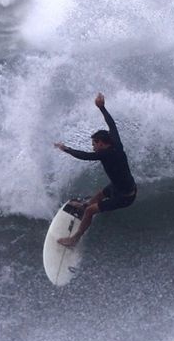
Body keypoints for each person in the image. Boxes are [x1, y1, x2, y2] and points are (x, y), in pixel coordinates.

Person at [53, 92, 137, 247]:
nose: (93, 146)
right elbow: (112, 125)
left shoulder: (106, 154)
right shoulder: (115, 143)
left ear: (102, 144)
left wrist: (65, 149)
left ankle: (74, 239)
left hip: (125, 196)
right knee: (99, 194)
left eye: (94, 143)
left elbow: (84, 156)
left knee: (92, 210)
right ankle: (84, 206)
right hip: (121, 186)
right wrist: (102, 108)